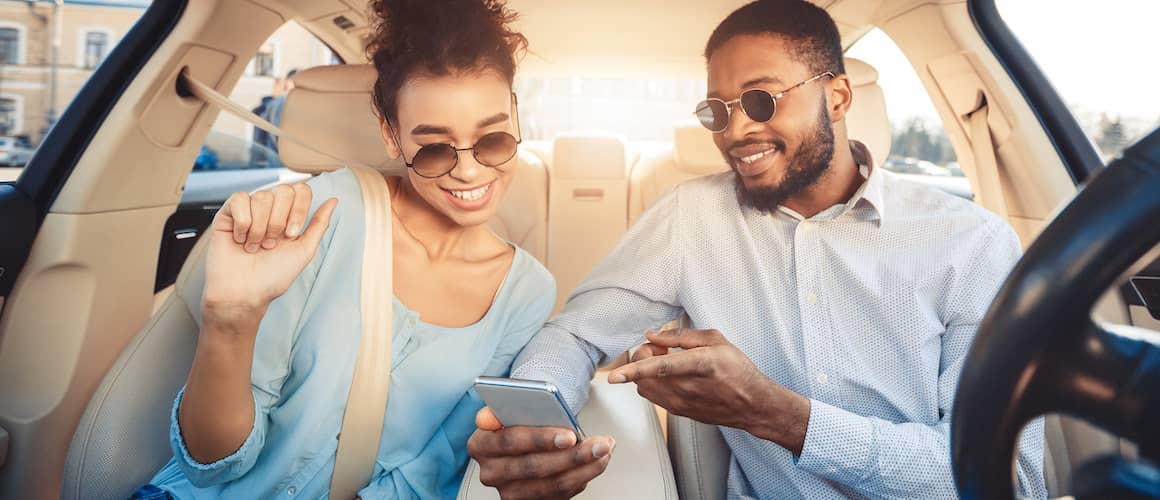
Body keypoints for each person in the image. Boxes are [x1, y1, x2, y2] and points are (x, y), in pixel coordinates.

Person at [466, 1, 1047, 498]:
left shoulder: (972, 243)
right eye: (717, 110)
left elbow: (1008, 477)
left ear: (838, 97)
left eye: (762, 100)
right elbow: (577, 333)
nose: (735, 130)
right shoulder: (690, 217)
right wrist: (538, 430)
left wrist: (776, 413)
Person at [134, 0, 552, 498]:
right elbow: (212, 466)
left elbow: (430, 475)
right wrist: (229, 320)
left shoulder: (526, 293)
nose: (468, 171)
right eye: (435, 147)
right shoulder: (318, 214)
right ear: (390, 134)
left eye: (494, 139)